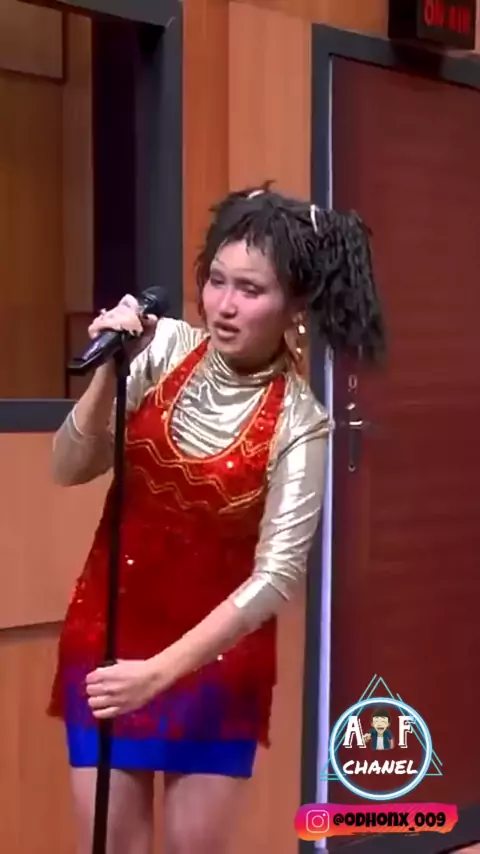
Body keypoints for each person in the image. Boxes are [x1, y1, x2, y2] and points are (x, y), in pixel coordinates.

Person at [48, 184, 385, 854]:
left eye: (250, 290)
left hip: (214, 662)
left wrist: (159, 673)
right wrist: (110, 371)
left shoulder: (301, 421)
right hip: (109, 641)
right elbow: (68, 466)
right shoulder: (162, 347)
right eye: (216, 281)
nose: (224, 305)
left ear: (294, 305)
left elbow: (276, 578)